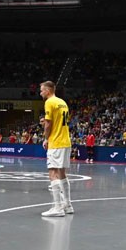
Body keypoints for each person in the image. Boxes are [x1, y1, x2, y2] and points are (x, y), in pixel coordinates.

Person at [40, 81, 73, 217]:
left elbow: (48, 124)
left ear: (48, 90)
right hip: (66, 141)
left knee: (52, 172)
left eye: (42, 90)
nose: (40, 93)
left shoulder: (49, 102)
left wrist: (46, 138)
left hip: (56, 142)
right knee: (62, 173)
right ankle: (68, 205)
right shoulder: (62, 102)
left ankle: (58, 208)